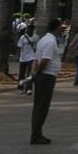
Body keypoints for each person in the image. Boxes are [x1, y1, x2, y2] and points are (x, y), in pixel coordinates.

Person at [30, 16, 62, 144]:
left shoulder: (44, 40)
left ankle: (37, 133)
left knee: (39, 105)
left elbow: (36, 59)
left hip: (43, 75)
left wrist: (34, 72)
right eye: (61, 26)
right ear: (57, 27)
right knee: (42, 106)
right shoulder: (50, 41)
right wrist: (38, 72)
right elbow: (45, 60)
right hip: (46, 76)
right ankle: (36, 135)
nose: (62, 28)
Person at [17, 22, 37, 94]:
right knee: (21, 73)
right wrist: (18, 56)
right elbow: (19, 47)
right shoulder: (23, 37)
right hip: (23, 57)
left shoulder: (35, 37)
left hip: (32, 57)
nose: (29, 31)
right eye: (28, 29)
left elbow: (37, 47)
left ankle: (29, 88)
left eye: (31, 29)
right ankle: (21, 87)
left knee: (30, 74)